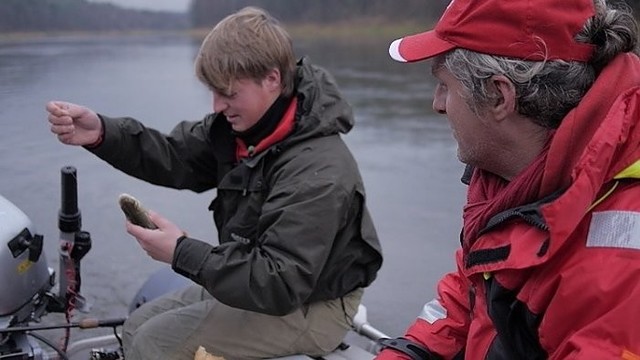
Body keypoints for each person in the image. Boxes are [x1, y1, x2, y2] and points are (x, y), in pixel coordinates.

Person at [46, 6, 382, 360]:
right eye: (214, 92)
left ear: (271, 79)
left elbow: (280, 282)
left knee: (154, 343)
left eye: (229, 94)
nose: (217, 105)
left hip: (315, 305)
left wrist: (180, 251)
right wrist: (101, 132)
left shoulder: (318, 170)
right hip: (254, 280)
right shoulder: (240, 130)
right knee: (135, 327)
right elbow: (175, 155)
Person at [377, 0, 640, 358]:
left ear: (500, 96)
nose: (437, 105)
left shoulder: (620, 263)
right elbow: (466, 296)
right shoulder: (512, 180)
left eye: (444, 86)